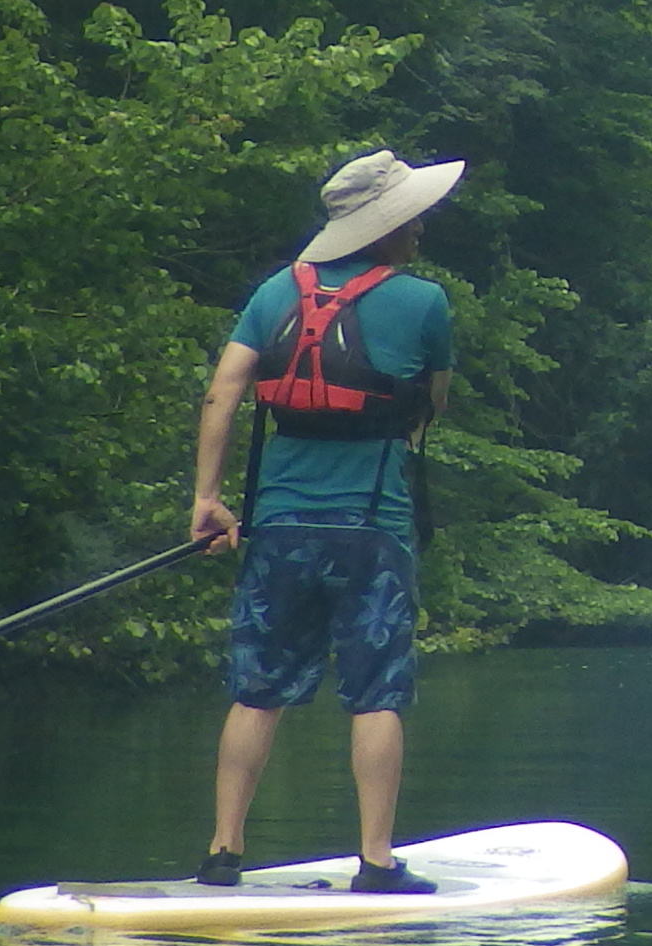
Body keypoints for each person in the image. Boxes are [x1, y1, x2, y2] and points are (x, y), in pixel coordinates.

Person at [187, 149, 463, 890]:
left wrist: (207, 500)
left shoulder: (274, 292)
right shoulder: (425, 302)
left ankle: (223, 853)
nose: (422, 225)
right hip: (373, 528)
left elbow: (224, 393)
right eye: (414, 216)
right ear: (391, 225)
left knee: (258, 690)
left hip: (277, 527)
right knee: (376, 693)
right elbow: (431, 404)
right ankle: (376, 861)